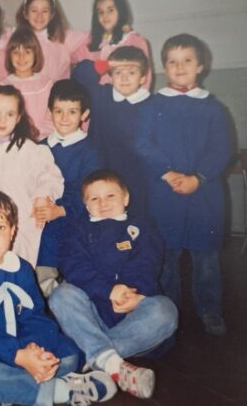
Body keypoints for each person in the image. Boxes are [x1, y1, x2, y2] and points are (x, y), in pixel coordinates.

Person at [0, 187, 117, 406]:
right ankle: (62, 391)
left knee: (68, 356)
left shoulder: (22, 269)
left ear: (12, 231)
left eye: (0, 227)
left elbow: (35, 317)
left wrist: (36, 351)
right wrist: (18, 355)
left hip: (18, 345)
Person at [49, 170, 178, 399]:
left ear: (125, 198)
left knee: (165, 310)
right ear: (86, 204)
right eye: (94, 198)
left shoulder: (142, 226)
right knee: (62, 294)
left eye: (111, 196)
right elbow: (74, 266)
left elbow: (148, 261)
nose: (103, 203)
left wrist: (133, 293)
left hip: (134, 319)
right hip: (93, 315)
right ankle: (111, 364)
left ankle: (95, 358)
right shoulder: (77, 229)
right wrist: (109, 290)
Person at [136, 34, 232, 336]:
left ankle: (210, 309)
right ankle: (169, 312)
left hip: (205, 196)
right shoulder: (153, 105)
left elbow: (222, 150)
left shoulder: (214, 109)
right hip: (166, 194)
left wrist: (197, 178)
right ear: (164, 67)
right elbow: (143, 143)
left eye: (187, 61)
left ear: (201, 66)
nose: (179, 67)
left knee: (206, 259)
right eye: (172, 62)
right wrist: (168, 174)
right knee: (167, 257)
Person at [0, 85, 64, 266]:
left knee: (16, 267)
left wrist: (42, 197)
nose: (2, 120)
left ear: (18, 118)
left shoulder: (30, 150)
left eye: (10, 114)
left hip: (21, 223)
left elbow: (49, 176)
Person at [36, 79, 102, 296]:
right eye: (58, 111)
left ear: (84, 115)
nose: (64, 118)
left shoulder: (90, 151)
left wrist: (61, 210)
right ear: (50, 112)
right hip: (43, 223)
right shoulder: (40, 147)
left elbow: (89, 192)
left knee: (75, 275)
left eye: (72, 111)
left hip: (74, 220)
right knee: (42, 276)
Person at [73, 46, 152, 218]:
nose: (124, 78)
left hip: (137, 179)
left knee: (136, 222)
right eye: (118, 72)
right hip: (101, 172)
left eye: (131, 72)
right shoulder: (101, 96)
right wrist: (107, 64)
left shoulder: (152, 105)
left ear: (143, 78)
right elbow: (79, 76)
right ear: (110, 75)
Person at [78, 0, 152, 89]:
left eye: (110, 10)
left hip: (126, 95)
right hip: (97, 96)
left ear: (120, 12)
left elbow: (145, 77)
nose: (105, 16)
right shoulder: (91, 42)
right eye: (100, 12)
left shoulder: (135, 40)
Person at [15, 0, 89, 80]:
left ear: (52, 15)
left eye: (45, 11)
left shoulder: (63, 38)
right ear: (26, 14)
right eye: (34, 11)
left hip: (57, 88)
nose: (39, 16)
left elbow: (91, 39)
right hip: (26, 87)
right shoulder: (17, 38)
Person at [1, 28, 53, 140]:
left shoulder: (47, 85)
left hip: (42, 139)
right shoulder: (2, 87)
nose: (21, 57)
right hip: (11, 140)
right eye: (16, 52)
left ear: (35, 54)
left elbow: (52, 118)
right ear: (9, 55)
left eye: (27, 52)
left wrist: (36, 134)